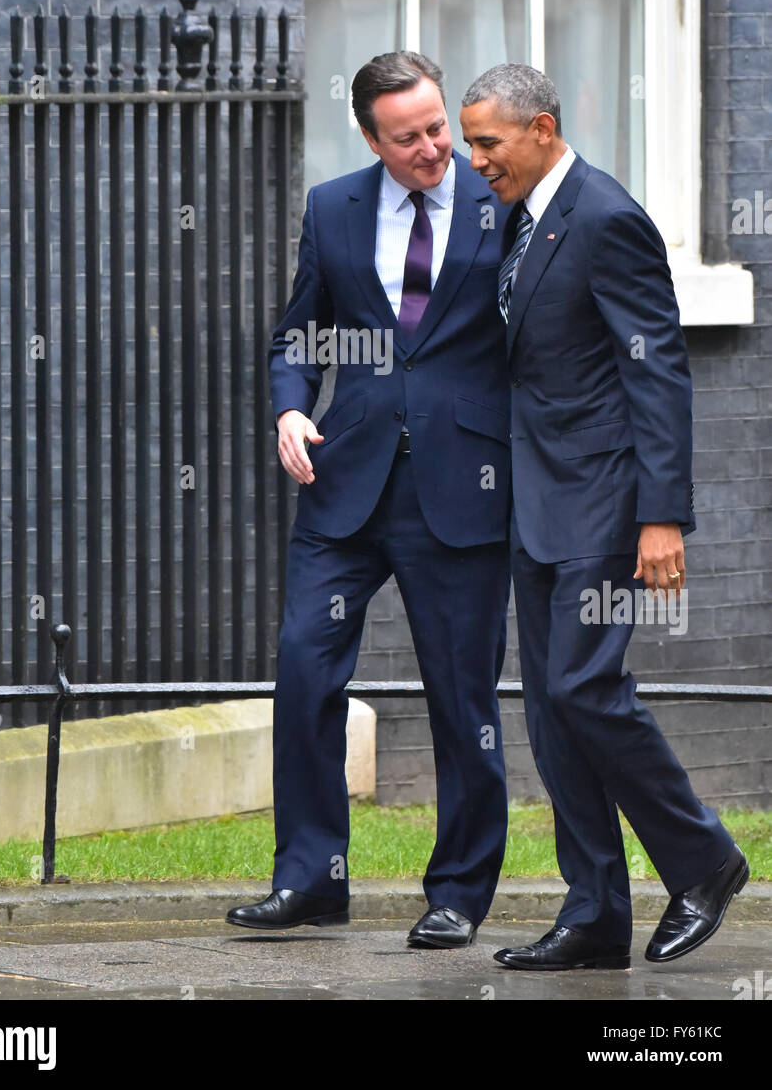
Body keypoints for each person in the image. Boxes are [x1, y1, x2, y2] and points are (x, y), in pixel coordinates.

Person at [459, 62, 748, 971]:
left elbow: (655, 368)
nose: (475, 161)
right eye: (469, 144)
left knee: (586, 688)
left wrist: (660, 518)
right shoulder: (522, 216)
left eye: (487, 143)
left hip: (605, 507)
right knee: (551, 711)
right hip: (538, 505)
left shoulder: (606, 216)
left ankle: (703, 860)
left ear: (541, 128)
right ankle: (593, 915)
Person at [226, 51, 512, 947]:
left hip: (462, 489)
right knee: (304, 674)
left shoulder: (499, 197)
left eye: (437, 126)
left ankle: (458, 893)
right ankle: (311, 880)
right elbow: (299, 332)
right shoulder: (332, 208)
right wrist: (286, 408)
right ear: (369, 138)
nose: (433, 147)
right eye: (410, 136)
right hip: (343, 483)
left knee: (461, 698)